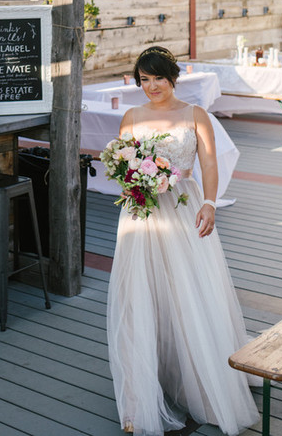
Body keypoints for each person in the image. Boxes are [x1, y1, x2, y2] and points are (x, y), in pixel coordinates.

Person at [106, 46, 259, 436]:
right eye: (144, 80)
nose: (151, 86)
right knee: (138, 293)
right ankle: (139, 397)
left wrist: (209, 203)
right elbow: (124, 165)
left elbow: (209, 162)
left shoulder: (195, 115)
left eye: (157, 78)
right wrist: (134, 181)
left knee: (188, 290)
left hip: (183, 206)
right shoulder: (131, 116)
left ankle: (200, 377)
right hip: (141, 212)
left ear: (172, 77)